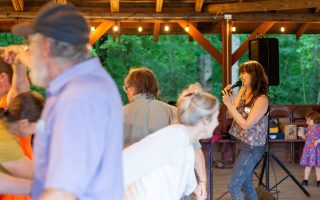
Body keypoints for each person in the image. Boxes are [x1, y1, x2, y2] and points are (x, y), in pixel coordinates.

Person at [8, 2, 124, 200]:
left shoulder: (78, 98)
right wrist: (20, 57)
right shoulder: (87, 83)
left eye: (32, 45)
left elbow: (62, 193)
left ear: (47, 47)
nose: (31, 52)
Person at [123, 83, 220, 200]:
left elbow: (185, 171)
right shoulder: (173, 138)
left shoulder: (185, 141)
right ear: (205, 120)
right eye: (216, 117)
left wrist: (195, 188)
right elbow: (123, 164)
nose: (217, 123)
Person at [222, 60, 269, 200]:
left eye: (245, 73)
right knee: (246, 184)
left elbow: (246, 124)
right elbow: (232, 115)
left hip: (253, 147)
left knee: (234, 186)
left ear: (255, 75)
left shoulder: (262, 99)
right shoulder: (243, 90)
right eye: (241, 72)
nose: (241, 75)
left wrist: (228, 105)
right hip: (241, 143)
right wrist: (231, 100)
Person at [0, 54, 32, 200]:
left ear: (2, 77)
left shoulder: (11, 104)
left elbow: (20, 88)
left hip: (18, 191)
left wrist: (18, 64)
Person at [0, 91, 44, 195]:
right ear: (24, 123)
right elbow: (33, 174)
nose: (38, 131)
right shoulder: (4, 141)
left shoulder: (5, 130)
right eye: (38, 126)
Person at [299, 111, 320, 186]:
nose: (307, 122)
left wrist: (317, 141)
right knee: (308, 165)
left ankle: (319, 180)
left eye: (309, 120)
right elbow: (307, 138)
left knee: (318, 165)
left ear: (316, 120)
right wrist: (302, 135)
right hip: (309, 149)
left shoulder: (319, 127)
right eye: (306, 120)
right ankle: (305, 179)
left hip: (317, 150)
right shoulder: (308, 128)